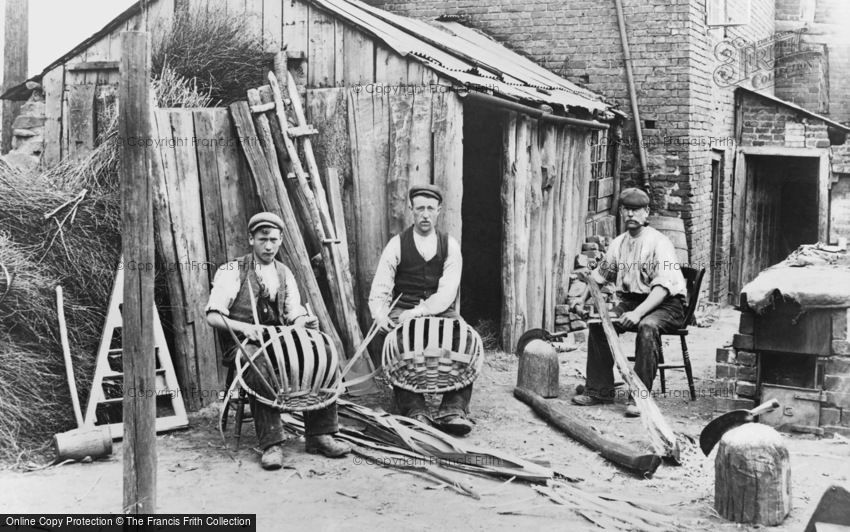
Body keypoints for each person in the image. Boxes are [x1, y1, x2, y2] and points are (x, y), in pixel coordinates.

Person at [205, 212, 350, 470]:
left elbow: (294, 316)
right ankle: (271, 443)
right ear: (251, 239)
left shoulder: (284, 273)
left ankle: (320, 434)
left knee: (322, 350)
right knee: (259, 364)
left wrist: (303, 323)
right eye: (262, 239)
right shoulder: (232, 270)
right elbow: (213, 316)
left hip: (278, 341)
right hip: (242, 344)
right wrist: (246, 328)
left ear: (281, 239)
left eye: (273, 240)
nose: (269, 246)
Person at [571, 188, 687, 417]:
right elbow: (597, 277)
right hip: (634, 301)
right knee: (598, 323)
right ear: (622, 211)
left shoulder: (659, 243)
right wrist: (581, 300)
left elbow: (663, 288)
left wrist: (638, 314)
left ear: (647, 213)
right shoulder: (619, 243)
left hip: (667, 304)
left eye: (637, 210)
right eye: (627, 209)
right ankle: (599, 390)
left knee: (647, 327)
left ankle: (640, 397)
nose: (631, 214)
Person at [368, 184, 473, 436]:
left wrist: (419, 312)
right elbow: (380, 288)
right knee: (397, 343)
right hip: (402, 306)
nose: (425, 214)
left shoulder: (450, 245)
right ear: (411, 211)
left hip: (438, 309)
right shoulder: (397, 244)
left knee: (464, 340)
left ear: (439, 211)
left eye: (430, 209)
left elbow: (448, 292)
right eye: (420, 209)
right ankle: (414, 408)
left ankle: (453, 408)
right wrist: (381, 316)